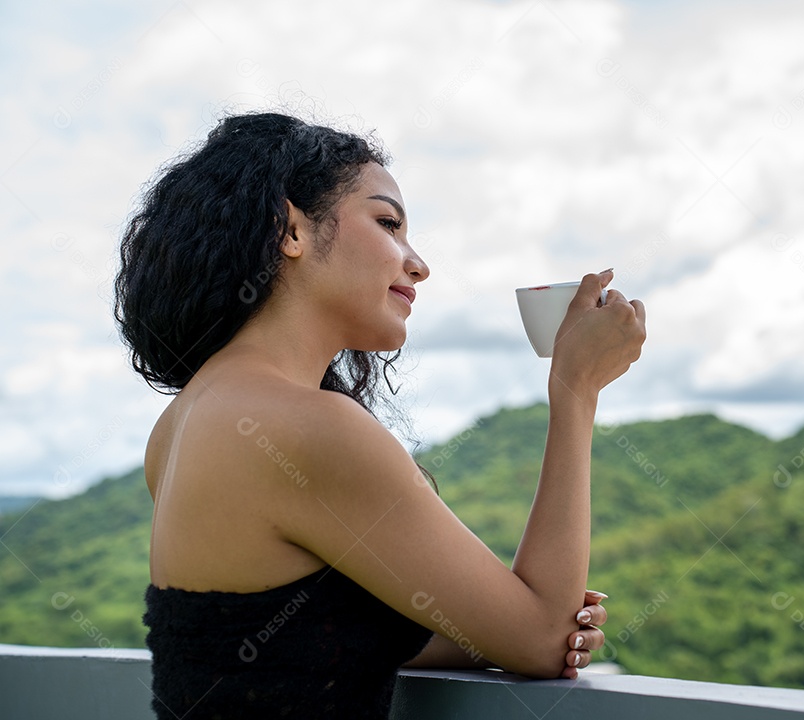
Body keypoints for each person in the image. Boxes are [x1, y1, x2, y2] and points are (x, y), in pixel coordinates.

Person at [114, 111, 647, 719]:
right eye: (388, 223)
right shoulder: (308, 427)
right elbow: (546, 641)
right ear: (290, 230)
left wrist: (492, 615)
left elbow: (285, 639)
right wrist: (576, 390)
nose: (417, 263)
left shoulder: (186, 421)